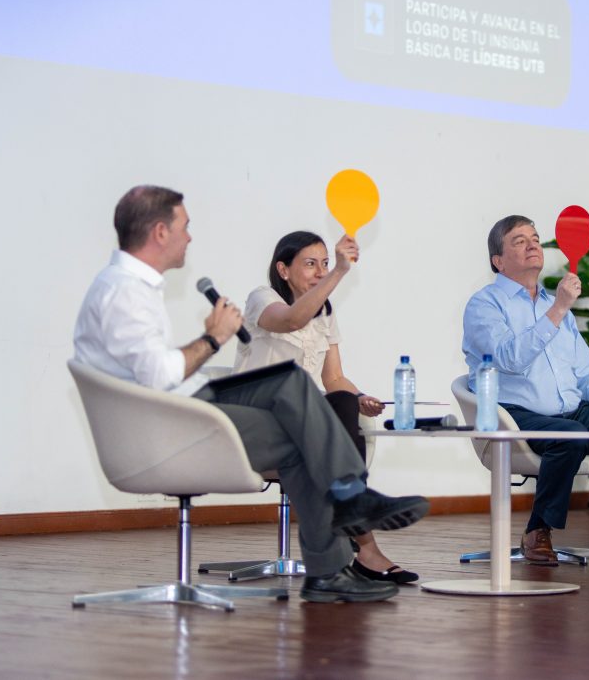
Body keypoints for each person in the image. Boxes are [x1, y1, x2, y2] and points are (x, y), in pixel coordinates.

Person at [73, 185, 430, 603]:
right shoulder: (125, 291)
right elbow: (157, 376)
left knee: (298, 408)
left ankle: (333, 560)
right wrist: (213, 337)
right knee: (297, 404)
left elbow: (154, 371)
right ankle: (349, 506)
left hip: (174, 412)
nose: (189, 236)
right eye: (184, 227)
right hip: (160, 428)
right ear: (160, 232)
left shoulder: (131, 286)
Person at [462, 215, 589, 567]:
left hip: (572, 413)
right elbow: (509, 358)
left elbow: (585, 372)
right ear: (498, 261)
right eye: (519, 241)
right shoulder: (485, 304)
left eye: (535, 238)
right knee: (568, 433)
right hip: (514, 415)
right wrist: (558, 309)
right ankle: (537, 531)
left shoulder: (555, 306)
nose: (532, 245)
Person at [234, 230, 417, 584]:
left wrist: (360, 397)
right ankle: (362, 528)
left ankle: (357, 528)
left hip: (303, 424)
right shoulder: (262, 298)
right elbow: (291, 320)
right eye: (310, 264)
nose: (320, 271)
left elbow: (333, 378)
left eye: (325, 263)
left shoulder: (325, 312)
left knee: (343, 402)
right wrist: (339, 272)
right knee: (325, 430)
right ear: (283, 269)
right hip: (258, 424)